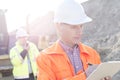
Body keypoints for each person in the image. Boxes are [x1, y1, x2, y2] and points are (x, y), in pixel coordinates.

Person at [36, 0, 111, 80]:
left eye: (81, 26)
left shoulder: (92, 54)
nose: (80, 31)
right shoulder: (45, 58)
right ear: (58, 26)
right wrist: (85, 76)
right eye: (74, 27)